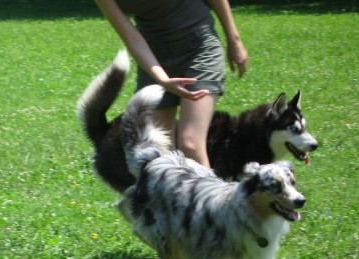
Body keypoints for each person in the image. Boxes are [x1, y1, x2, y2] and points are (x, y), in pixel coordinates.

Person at [93, 0, 248, 168]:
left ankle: (210, 194)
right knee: (158, 153)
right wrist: (163, 79)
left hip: (198, 46)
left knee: (191, 145)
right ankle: (173, 194)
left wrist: (234, 39)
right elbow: (132, 38)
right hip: (153, 56)